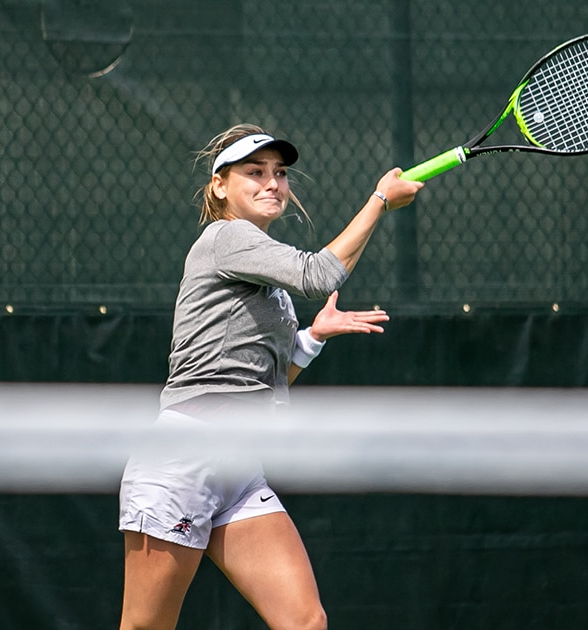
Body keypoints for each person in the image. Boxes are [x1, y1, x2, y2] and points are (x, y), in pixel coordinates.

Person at [118, 123, 423, 630]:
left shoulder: (261, 271)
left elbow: (267, 384)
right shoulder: (227, 237)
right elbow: (321, 274)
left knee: (305, 621)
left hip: (238, 468)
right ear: (220, 186)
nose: (272, 183)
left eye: (279, 173)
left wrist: (313, 337)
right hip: (184, 460)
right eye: (254, 172)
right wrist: (379, 201)